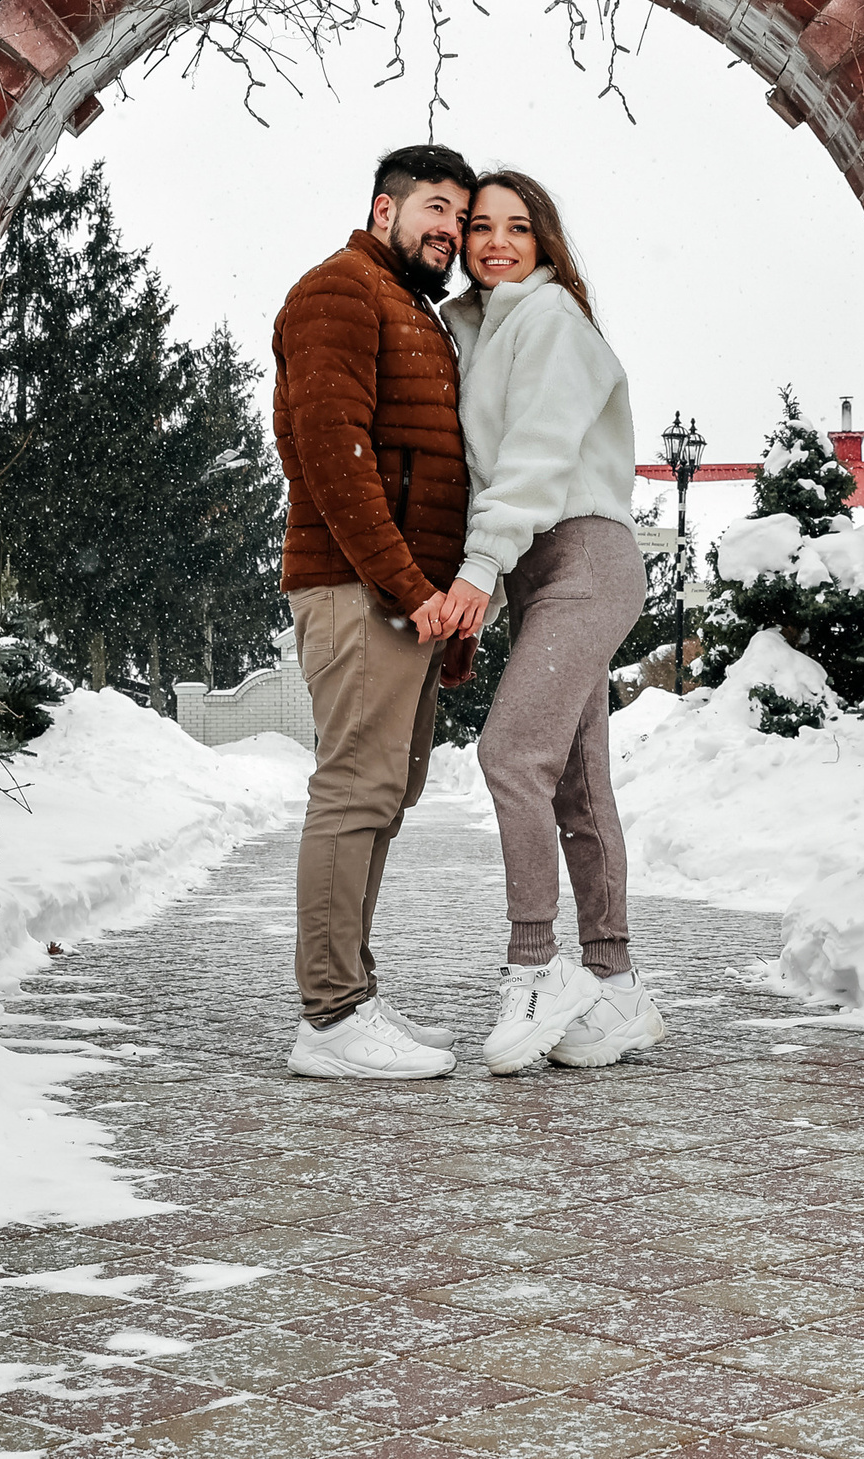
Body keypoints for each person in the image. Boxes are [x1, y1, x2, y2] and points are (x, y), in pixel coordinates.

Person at [420, 171, 666, 1074]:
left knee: (509, 754)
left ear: (544, 241)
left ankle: (535, 963)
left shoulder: (551, 321)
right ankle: (615, 982)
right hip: (545, 569)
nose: (494, 242)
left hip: (585, 559)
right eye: (479, 227)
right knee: (575, 780)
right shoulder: (484, 331)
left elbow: (531, 459)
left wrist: (479, 570)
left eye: (516, 228)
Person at [271, 144, 480, 1079]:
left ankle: (351, 989)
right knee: (356, 790)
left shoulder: (412, 309)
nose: (450, 228)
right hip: (364, 591)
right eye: (435, 206)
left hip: (406, 601)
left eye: (460, 214)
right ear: (382, 208)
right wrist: (410, 587)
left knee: (385, 798)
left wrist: (440, 604)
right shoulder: (340, 292)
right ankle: (328, 1017)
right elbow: (332, 454)